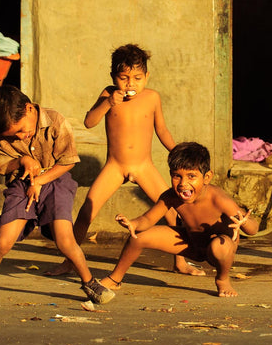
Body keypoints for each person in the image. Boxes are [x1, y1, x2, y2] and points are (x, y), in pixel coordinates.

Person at [47, 44, 204, 277]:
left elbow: (162, 130)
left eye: (138, 78)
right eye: (124, 78)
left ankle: (179, 262)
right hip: (115, 166)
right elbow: (90, 121)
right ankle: (69, 261)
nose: (131, 84)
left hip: (144, 166)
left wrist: (182, 155)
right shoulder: (108, 95)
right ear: (113, 78)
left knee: (173, 213)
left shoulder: (152, 98)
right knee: (86, 211)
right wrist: (109, 102)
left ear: (147, 77)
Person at [0, 85, 114, 304]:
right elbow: (1, 166)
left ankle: (90, 282)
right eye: (14, 135)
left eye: (21, 130)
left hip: (56, 181)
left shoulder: (55, 121)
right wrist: (21, 161)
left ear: (29, 109)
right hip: (20, 184)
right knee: (2, 242)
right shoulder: (0, 133)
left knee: (65, 240)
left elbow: (68, 162)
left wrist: (40, 180)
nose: (21, 136)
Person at [101, 142, 259, 297]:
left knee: (219, 246)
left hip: (220, 249)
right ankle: (115, 278)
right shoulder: (171, 196)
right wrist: (132, 223)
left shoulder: (219, 199)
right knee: (138, 236)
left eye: (191, 176)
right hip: (191, 244)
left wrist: (244, 222)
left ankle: (222, 279)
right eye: (177, 176)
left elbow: (253, 229)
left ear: (207, 177)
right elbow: (148, 219)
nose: (183, 184)